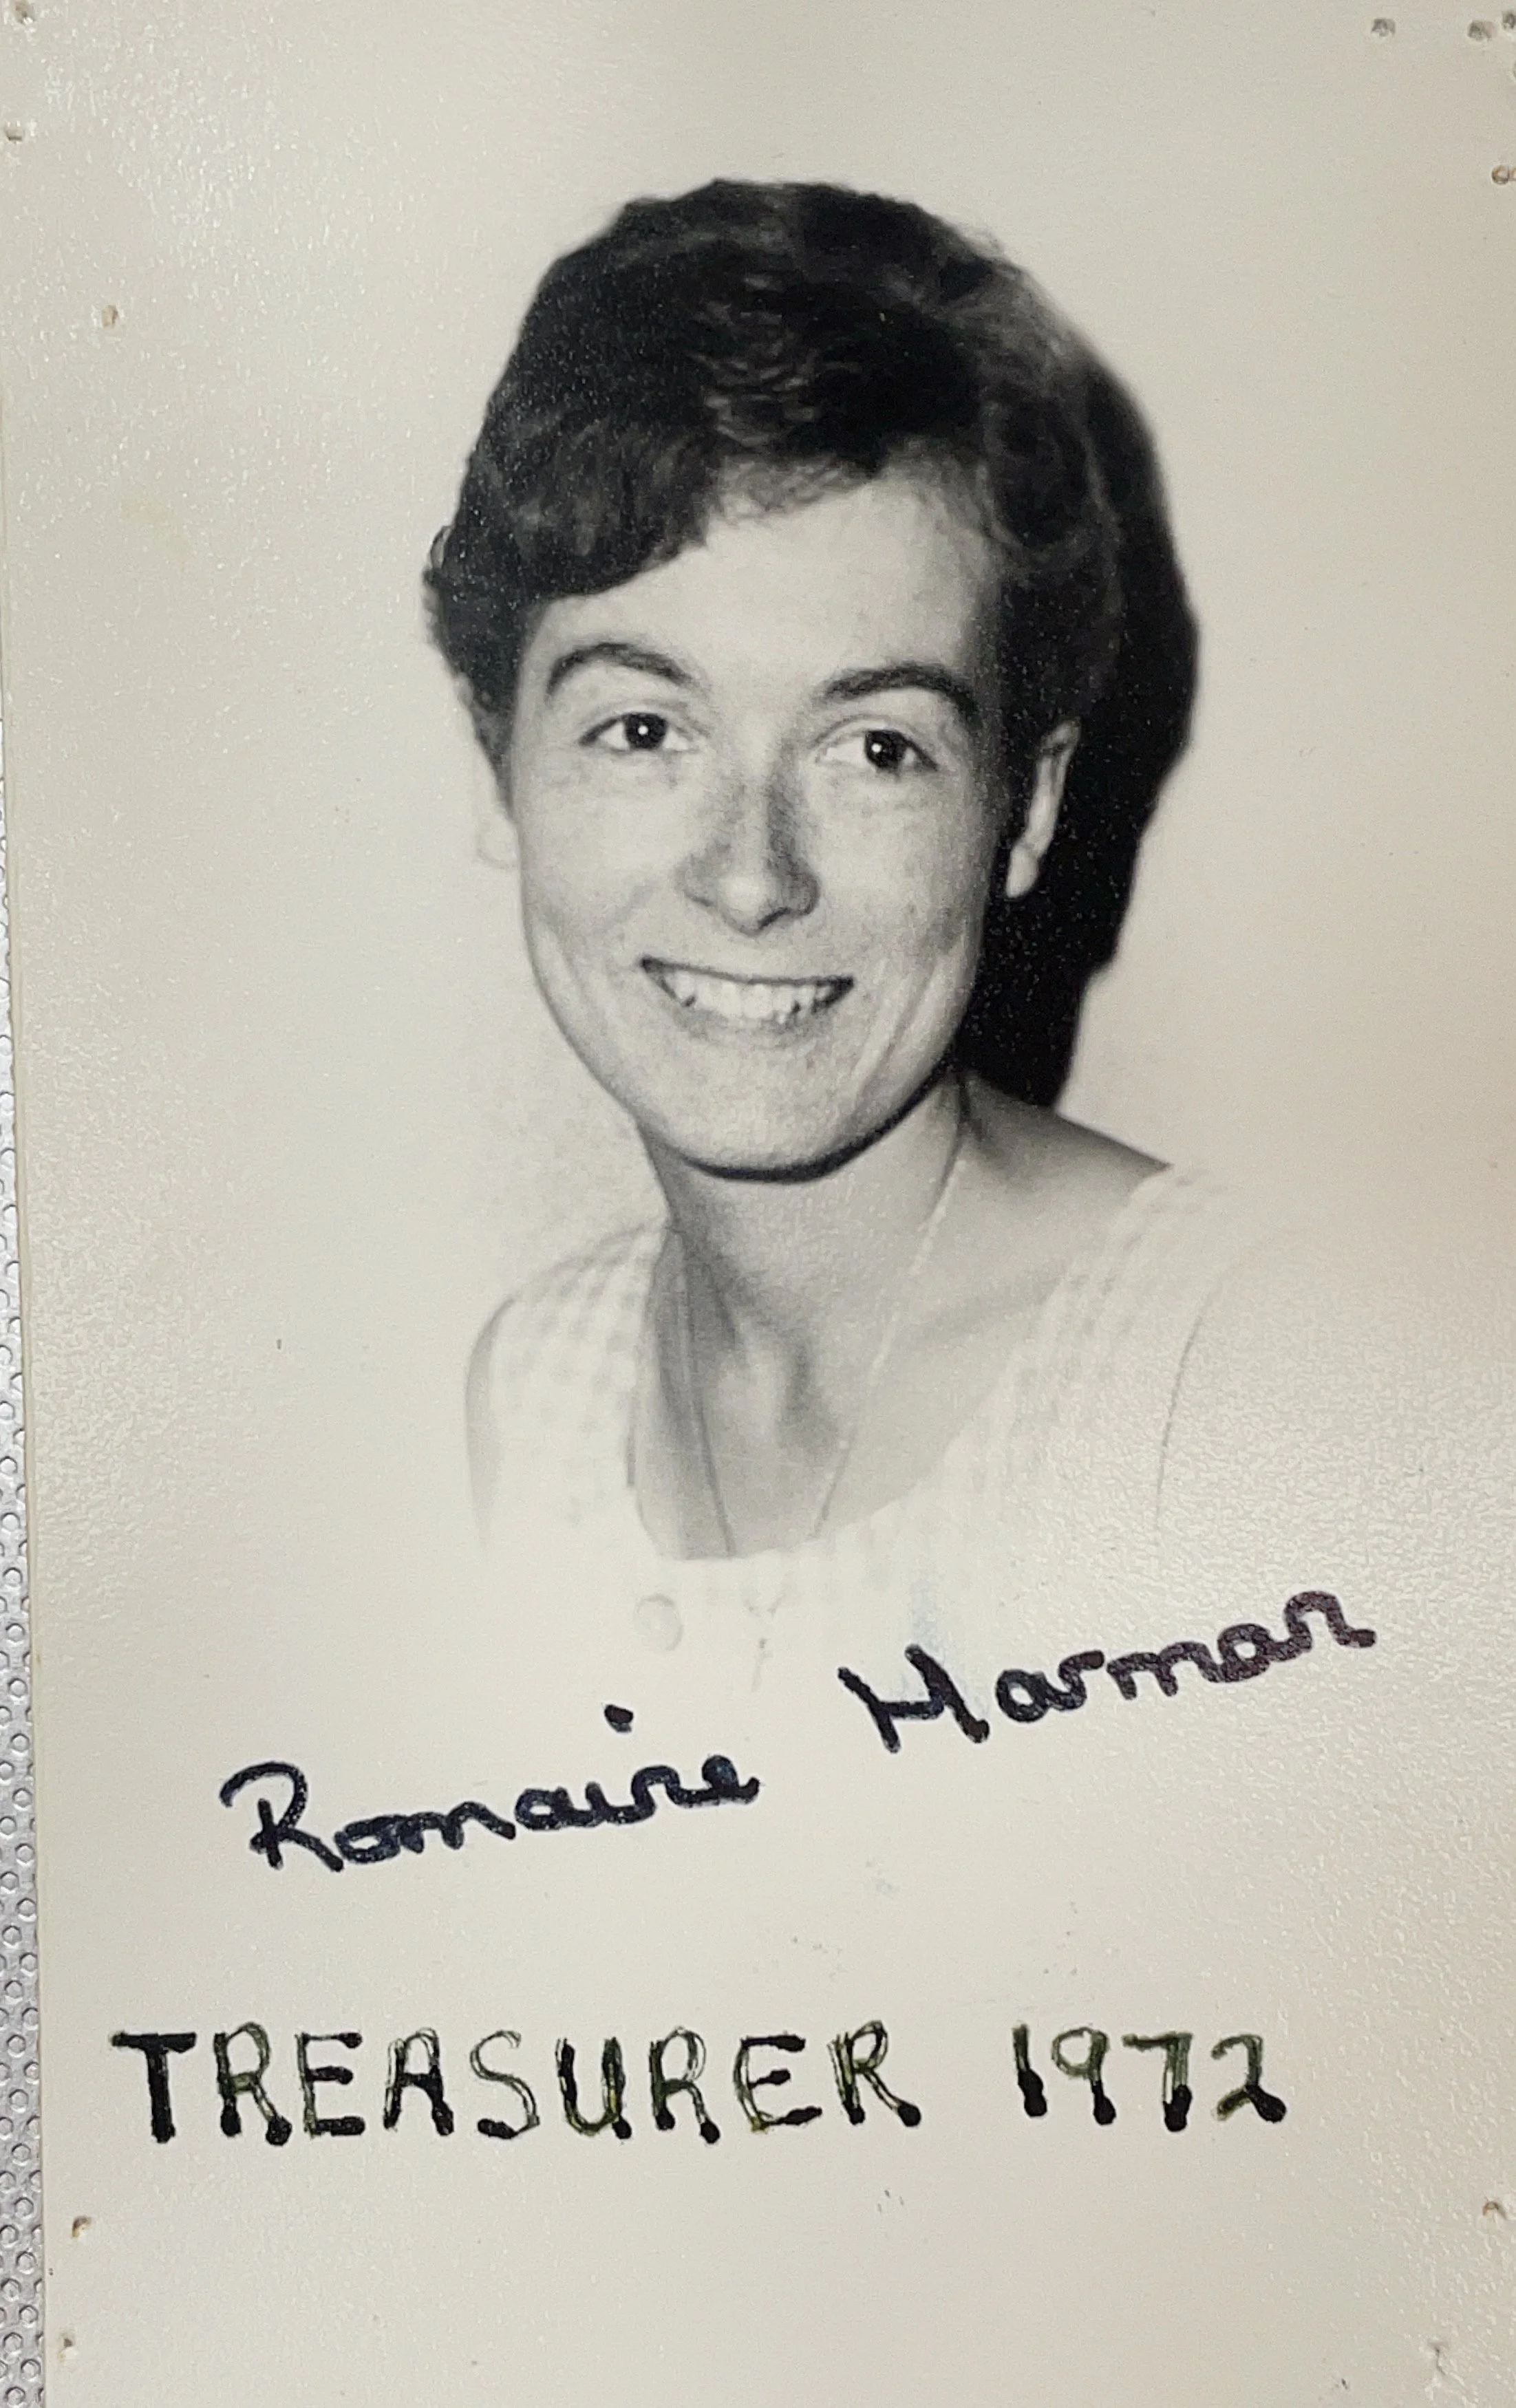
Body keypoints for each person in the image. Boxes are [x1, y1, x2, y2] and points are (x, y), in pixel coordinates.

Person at [423, 182, 1354, 1695]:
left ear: (1023, 807)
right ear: (498, 766)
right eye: (644, 729)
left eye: (875, 749)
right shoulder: (539, 1389)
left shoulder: (1233, 1373)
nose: (751, 877)